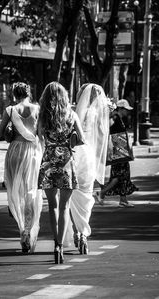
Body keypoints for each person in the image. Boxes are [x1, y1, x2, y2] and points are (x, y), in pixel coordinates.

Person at [37, 81, 85, 264]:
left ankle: (56, 244)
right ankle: (61, 247)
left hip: (48, 162)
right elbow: (82, 139)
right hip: (66, 163)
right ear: (64, 97)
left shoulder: (43, 117)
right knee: (65, 206)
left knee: (52, 206)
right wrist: (70, 139)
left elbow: (39, 137)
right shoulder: (71, 115)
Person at [0, 82, 43, 254]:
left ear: (15, 95)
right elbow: (41, 134)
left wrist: (9, 127)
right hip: (33, 153)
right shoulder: (37, 109)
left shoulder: (10, 110)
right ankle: (29, 230)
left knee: (16, 192)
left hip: (15, 152)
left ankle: (22, 230)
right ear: (29, 93)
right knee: (32, 191)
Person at [68, 83, 110, 254]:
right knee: (86, 194)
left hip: (75, 152)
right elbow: (101, 134)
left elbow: (71, 133)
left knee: (71, 194)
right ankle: (83, 232)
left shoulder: (73, 112)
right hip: (89, 155)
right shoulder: (97, 112)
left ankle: (76, 231)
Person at [96, 99, 138, 207]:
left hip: (120, 148)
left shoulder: (118, 118)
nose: (127, 112)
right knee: (119, 175)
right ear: (121, 109)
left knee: (123, 174)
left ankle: (123, 200)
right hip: (117, 148)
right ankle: (102, 192)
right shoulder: (115, 117)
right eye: (126, 110)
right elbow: (106, 129)